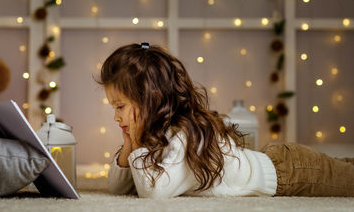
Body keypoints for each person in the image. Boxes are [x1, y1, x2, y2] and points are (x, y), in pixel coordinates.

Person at [97, 42, 354, 198]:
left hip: (291, 172)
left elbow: (154, 192)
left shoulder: (184, 133)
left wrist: (139, 141)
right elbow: (120, 189)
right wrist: (129, 146)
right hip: (278, 162)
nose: (116, 116)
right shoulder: (157, 133)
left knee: (346, 178)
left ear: (152, 98)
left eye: (120, 106)